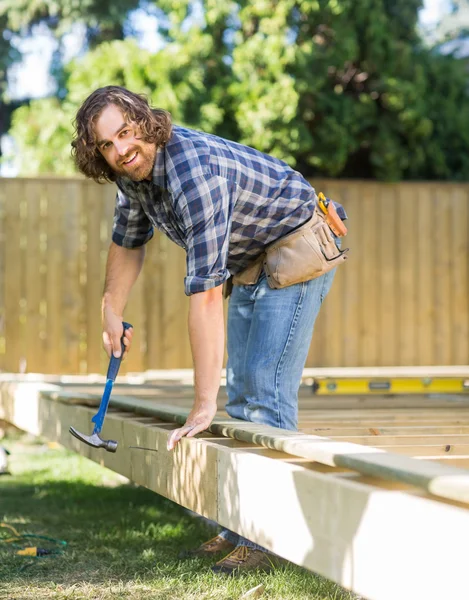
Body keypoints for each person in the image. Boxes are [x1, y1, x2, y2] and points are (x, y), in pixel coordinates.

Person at [71, 85, 348, 575]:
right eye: (106, 146)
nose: (119, 151)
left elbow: (203, 296)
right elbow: (128, 242)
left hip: (298, 242)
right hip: (251, 258)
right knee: (241, 397)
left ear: (143, 120)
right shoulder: (132, 175)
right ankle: (237, 528)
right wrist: (109, 308)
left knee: (264, 393)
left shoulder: (193, 173)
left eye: (125, 134)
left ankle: (267, 541)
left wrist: (202, 403)